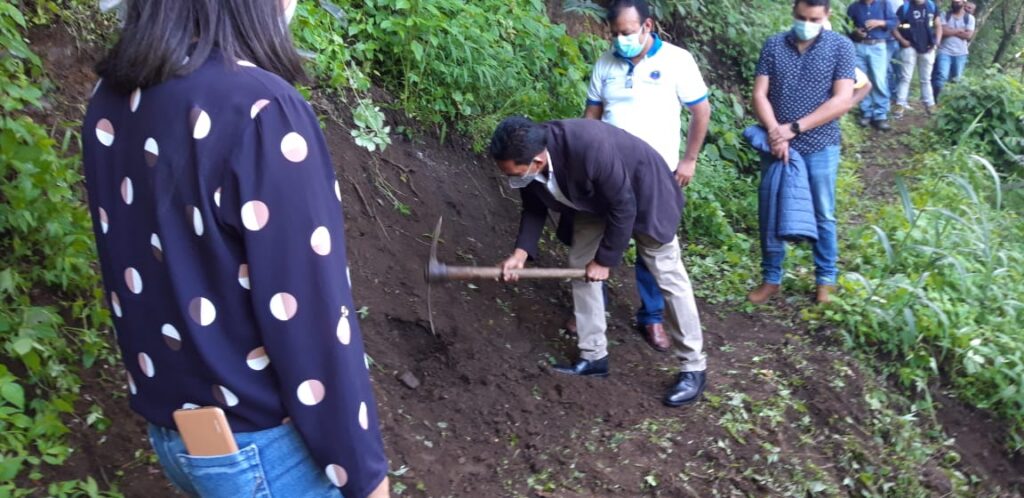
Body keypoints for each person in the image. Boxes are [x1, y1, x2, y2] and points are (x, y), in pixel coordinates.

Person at [83, 1, 390, 496]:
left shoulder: (112, 99)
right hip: (267, 451)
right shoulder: (263, 109)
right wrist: (365, 473)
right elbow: (311, 321)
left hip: (177, 436)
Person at [491, 117, 708, 407]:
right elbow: (533, 207)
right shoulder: (528, 154)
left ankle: (694, 367)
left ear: (538, 161)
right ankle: (593, 356)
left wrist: (605, 261)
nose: (512, 180)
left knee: (668, 275)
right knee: (580, 265)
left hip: (644, 194)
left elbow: (624, 206)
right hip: (592, 199)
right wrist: (520, 254)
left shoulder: (589, 147)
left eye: (514, 173)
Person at [582, 0, 711, 352]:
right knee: (595, 238)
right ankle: (594, 309)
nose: (620, 39)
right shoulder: (605, 64)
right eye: (615, 33)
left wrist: (689, 160)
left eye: (627, 32)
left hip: (657, 173)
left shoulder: (677, 61)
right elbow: (591, 117)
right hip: (608, 174)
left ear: (647, 26)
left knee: (652, 245)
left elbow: (701, 110)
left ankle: (652, 317)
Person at [749, 0, 856, 304]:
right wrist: (775, 132)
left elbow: (842, 100)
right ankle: (771, 278)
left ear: (827, 16)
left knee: (823, 212)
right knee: (770, 209)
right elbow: (759, 93)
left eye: (813, 18)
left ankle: (826, 279)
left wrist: (792, 129)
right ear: (792, 12)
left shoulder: (841, 47)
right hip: (776, 144)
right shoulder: (773, 45)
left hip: (820, 145)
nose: (806, 23)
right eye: (800, 17)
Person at [847, 0, 897, 130]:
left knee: (879, 79)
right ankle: (866, 112)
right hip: (859, 46)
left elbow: (894, 22)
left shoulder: (884, 4)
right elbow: (846, 27)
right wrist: (855, 32)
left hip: (878, 45)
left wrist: (880, 22)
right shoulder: (854, 6)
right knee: (862, 80)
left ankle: (880, 115)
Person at [893, 0, 942, 117]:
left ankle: (930, 105)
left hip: (928, 48)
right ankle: (899, 105)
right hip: (909, 48)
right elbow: (893, 27)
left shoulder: (931, 6)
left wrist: (937, 43)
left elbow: (938, 25)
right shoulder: (904, 8)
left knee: (926, 79)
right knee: (905, 78)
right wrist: (902, 40)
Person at [932, 0, 975, 99]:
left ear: (963, 3)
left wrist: (950, 31)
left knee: (956, 79)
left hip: (961, 53)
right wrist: (959, 31)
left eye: (958, 2)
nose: (955, 4)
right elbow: (942, 31)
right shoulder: (944, 15)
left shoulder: (969, 18)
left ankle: (949, 103)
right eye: (954, 2)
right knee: (941, 77)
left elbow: (968, 35)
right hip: (944, 51)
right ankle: (936, 100)